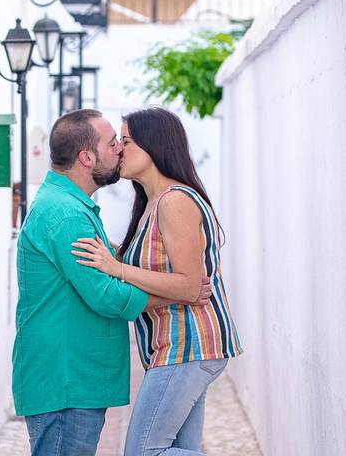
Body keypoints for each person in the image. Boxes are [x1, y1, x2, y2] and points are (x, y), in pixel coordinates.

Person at [12, 108, 211, 456]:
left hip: (72, 378)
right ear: (87, 157)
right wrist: (177, 290)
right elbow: (105, 294)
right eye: (112, 143)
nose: (119, 149)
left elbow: (103, 274)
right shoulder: (66, 214)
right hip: (66, 380)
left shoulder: (70, 207)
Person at [71, 106, 242, 456]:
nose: (119, 149)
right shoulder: (152, 202)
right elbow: (154, 266)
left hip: (189, 345)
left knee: (144, 451)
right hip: (176, 346)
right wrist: (110, 254)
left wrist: (115, 268)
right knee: (180, 448)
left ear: (154, 146)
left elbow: (189, 286)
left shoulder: (175, 201)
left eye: (127, 141)